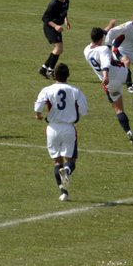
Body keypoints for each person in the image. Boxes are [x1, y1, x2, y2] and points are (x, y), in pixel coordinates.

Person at [34, 63, 88, 202]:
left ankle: (63, 192)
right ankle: (68, 171)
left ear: (54, 75)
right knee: (70, 161)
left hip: (52, 129)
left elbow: (39, 105)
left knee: (57, 162)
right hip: (68, 128)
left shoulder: (47, 89)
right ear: (68, 75)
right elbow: (84, 110)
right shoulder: (75, 91)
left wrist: (39, 115)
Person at [83, 27, 133, 145]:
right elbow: (105, 64)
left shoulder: (86, 50)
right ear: (101, 38)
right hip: (120, 74)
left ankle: (128, 131)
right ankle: (130, 83)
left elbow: (100, 37)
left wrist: (109, 25)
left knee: (118, 109)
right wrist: (106, 75)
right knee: (121, 57)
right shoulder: (103, 50)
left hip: (110, 85)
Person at [105, 9, 133, 93]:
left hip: (132, 51)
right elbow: (112, 31)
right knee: (126, 62)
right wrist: (108, 46)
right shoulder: (127, 26)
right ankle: (129, 85)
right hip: (119, 49)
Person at [38, 0, 70, 79]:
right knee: (59, 48)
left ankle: (44, 69)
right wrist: (56, 26)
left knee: (59, 49)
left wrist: (66, 21)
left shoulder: (66, 1)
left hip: (57, 27)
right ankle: (50, 70)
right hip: (49, 27)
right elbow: (45, 18)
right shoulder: (53, 3)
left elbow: (64, 12)